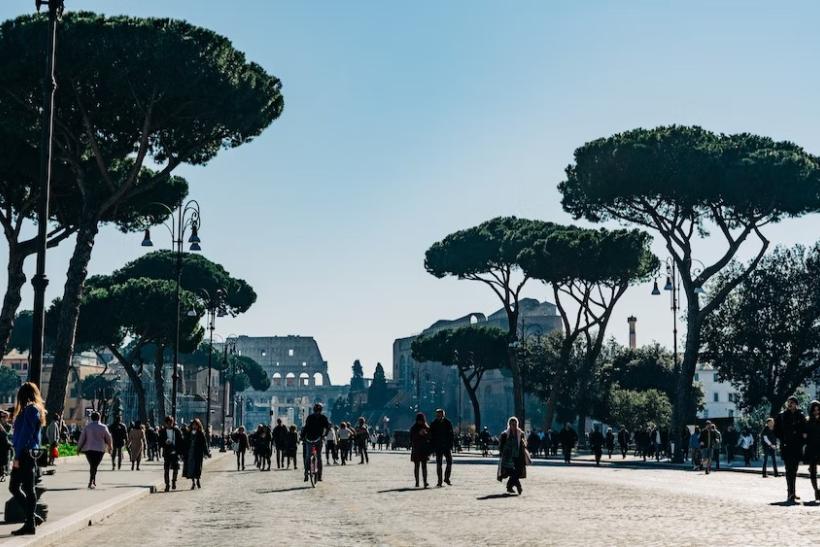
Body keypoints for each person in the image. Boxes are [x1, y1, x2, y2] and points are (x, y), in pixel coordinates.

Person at [8, 382, 46, 536]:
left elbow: (25, 435)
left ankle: (30, 522)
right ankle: (32, 519)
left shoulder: (30, 410)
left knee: (23, 488)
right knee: (21, 487)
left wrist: (17, 456)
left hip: (24, 453)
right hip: (28, 452)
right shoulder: (33, 410)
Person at [774, 395, 807, 503]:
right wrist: (782, 439)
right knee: (789, 470)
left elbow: (804, 429)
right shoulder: (782, 416)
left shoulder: (801, 415)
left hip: (797, 446)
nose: (790, 404)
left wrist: (802, 440)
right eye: (789, 402)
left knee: (795, 470)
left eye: (792, 402)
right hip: (786, 446)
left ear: (796, 404)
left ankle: (793, 492)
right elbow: (776, 430)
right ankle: (790, 493)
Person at [77, 411, 112, 489]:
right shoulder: (103, 427)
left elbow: (82, 438)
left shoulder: (87, 427)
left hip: (89, 449)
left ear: (91, 418)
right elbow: (108, 438)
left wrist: (79, 448)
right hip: (100, 449)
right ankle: (92, 481)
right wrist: (110, 447)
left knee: (92, 465)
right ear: (99, 418)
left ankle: (92, 480)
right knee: (95, 465)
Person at [497, 417, 527, 495]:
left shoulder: (521, 433)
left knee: (518, 472)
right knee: (511, 472)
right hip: (508, 458)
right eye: (512, 424)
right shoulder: (505, 434)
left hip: (518, 457)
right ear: (509, 424)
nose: (514, 425)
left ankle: (510, 486)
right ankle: (517, 487)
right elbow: (501, 446)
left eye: (515, 424)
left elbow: (524, 445)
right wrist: (503, 453)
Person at [301, 403, 330, 482]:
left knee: (308, 456)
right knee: (318, 457)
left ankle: (306, 473)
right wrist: (325, 435)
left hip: (309, 439)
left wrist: (302, 437)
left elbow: (305, 428)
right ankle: (319, 476)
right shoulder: (323, 417)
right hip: (317, 439)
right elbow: (328, 427)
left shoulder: (310, 417)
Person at [430, 409, 454, 487]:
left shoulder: (448, 423)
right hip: (438, 446)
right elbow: (431, 436)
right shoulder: (434, 424)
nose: (438, 416)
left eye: (440, 415)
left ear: (443, 415)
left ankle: (446, 478)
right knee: (439, 464)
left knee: (449, 462)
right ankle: (439, 481)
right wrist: (432, 448)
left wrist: (451, 445)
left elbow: (451, 435)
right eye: (437, 415)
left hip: (446, 446)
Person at [183, 418, 209, 489]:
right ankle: (193, 482)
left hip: (198, 453)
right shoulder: (188, 433)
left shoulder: (201, 434)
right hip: (190, 453)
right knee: (191, 468)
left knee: (197, 467)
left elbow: (204, 444)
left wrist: (206, 453)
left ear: (198, 425)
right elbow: (185, 443)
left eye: (196, 425)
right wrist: (183, 453)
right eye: (193, 425)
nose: (194, 426)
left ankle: (197, 480)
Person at [160, 415, 184, 492]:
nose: (170, 424)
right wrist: (164, 442)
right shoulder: (162, 431)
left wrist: (180, 452)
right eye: (168, 423)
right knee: (166, 469)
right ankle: (167, 484)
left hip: (175, 452)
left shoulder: (177, 431)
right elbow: (159, 441)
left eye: (171, 422)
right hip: (167, 452)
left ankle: (174, 481)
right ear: (166, 423)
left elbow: (180, 441)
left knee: (176, 468)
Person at [803, 400, 820, 502]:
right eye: (814, 410)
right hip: (812, 448)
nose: (816, 412)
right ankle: (816, 491)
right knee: (813, 471)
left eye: (818, 410)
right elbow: (805, 434)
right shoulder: (808, 420)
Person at [410, 412, 431, 488]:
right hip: (416, 449)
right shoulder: (414, 428)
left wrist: (425, 434)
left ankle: (425, 481)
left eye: (421, 420)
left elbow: (430, 437)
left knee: (424, 466)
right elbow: (411, 438)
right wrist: (419, 434)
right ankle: (417, 482)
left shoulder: (426, 427)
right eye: (419, 420)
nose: (420, 422)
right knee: (417, 466)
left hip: (424, 449)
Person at [0, 410, 11, 482]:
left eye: (5, 417)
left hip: (5, 445)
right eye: (2, 417)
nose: (4, 418)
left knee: (3, 460)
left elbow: (6, 434)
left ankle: (3, 473)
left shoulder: (8, 426)